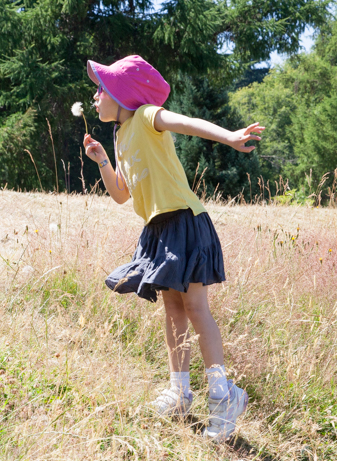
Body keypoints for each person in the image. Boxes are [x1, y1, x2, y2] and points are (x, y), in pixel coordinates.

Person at [82, 55, 264, 442]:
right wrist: (101, 161)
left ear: (122, 94)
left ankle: (223, 395)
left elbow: (186, 123)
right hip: (156, 230)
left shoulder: (147, 116)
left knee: (196, 308)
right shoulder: (118, 136)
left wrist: (229, 137)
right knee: (172, 308)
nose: (96, 95)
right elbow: (121, 195)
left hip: (185, 220)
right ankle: (179, 391)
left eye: (102, 88)